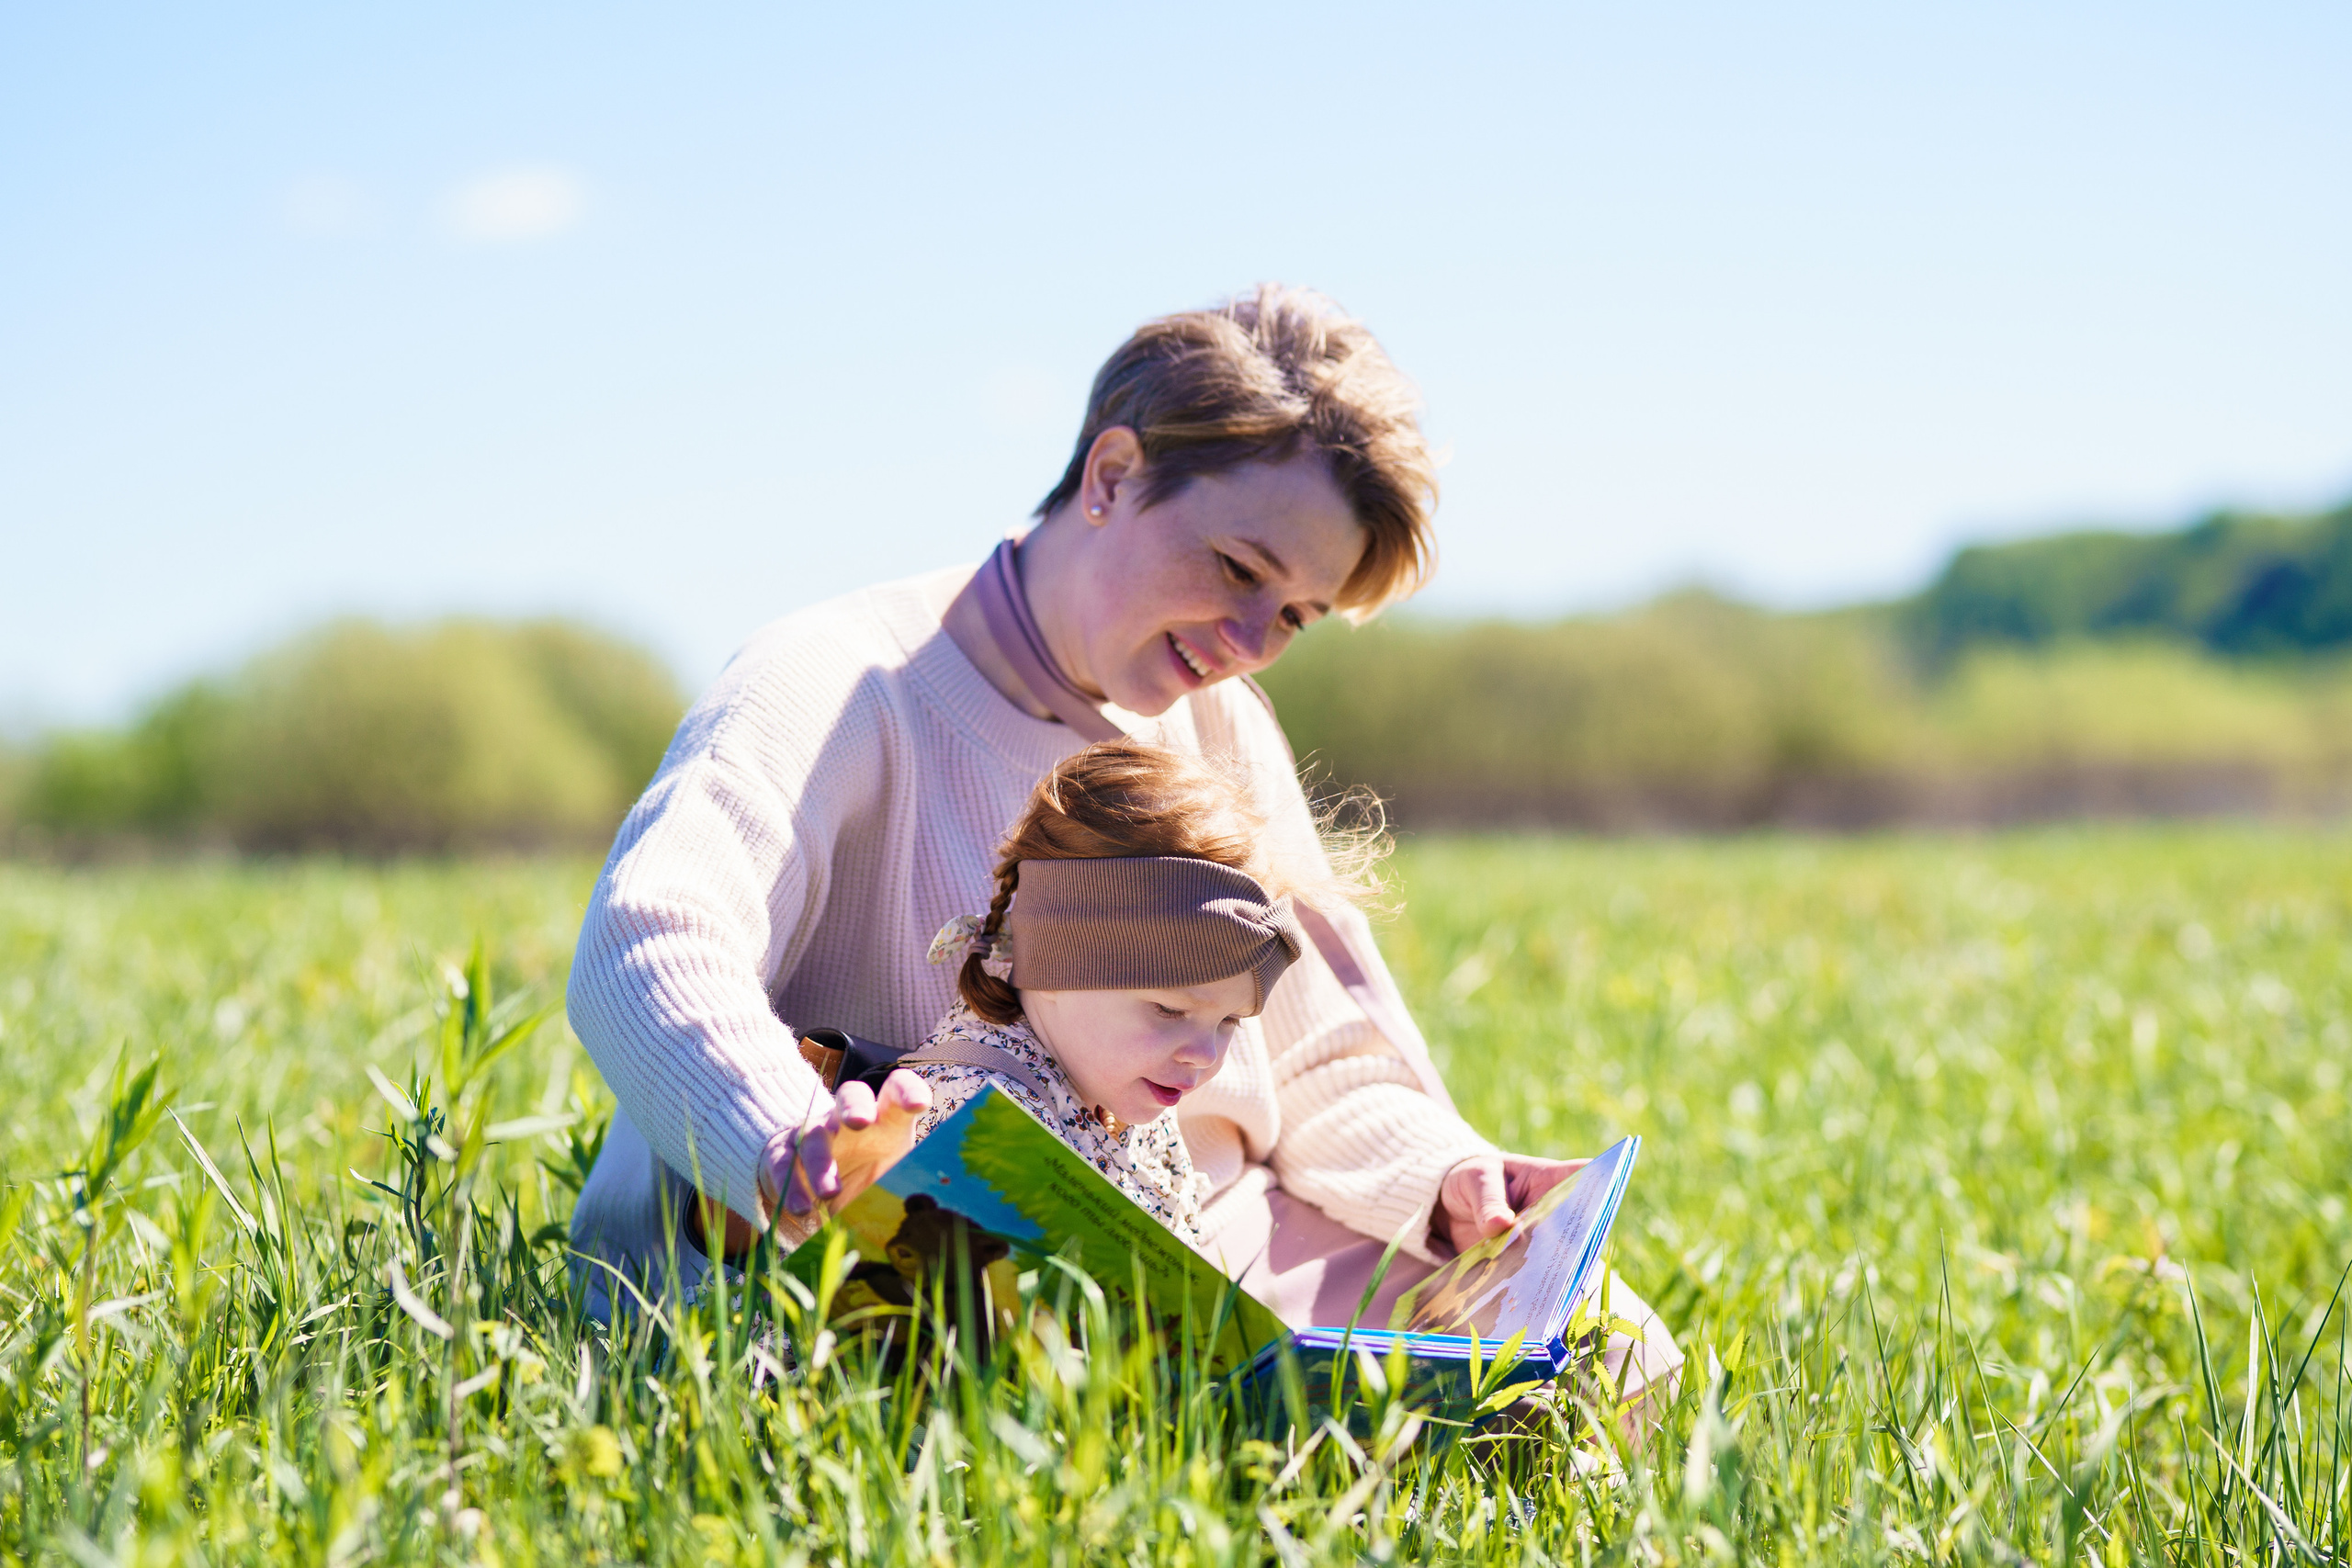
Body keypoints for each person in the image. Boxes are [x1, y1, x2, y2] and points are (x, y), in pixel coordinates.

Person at [566, 284, 1683, 1421]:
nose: (1251, 644)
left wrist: (1445, 1181)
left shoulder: (1223, 726)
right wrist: (786, 1142)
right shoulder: (842, 678)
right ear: (1111, 476)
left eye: (1294, 616)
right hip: (975, 1258)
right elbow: (653, 936)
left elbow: (1329, 1062)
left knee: (1612, 1352)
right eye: (1240, 570)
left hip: (1221, 1245)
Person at [892, 738, 1325, 1247]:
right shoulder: (979, 1110)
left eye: (1231, 1021)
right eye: (1169, 1008)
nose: (1205, 1055)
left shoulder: (1111, 1085)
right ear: (1054, 966)